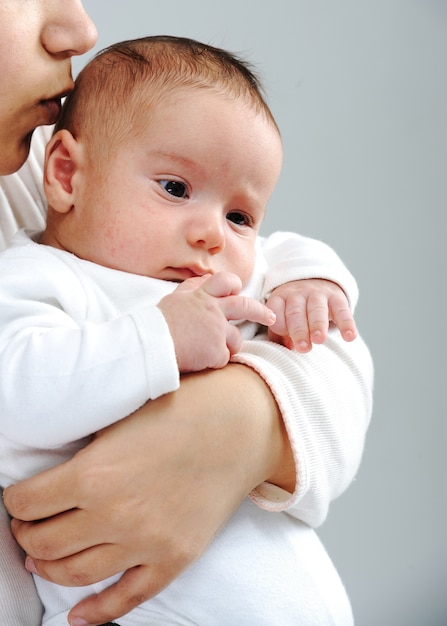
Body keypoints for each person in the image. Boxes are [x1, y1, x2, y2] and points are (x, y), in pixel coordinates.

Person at [0, 3, 373, 626]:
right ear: (67, 175)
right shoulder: (40, 276)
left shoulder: (203, 267)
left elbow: (295, 278)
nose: (212, 235)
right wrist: (157, 340)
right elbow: (15, 391)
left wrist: (312, 281)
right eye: (174, 189)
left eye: (240, 216)